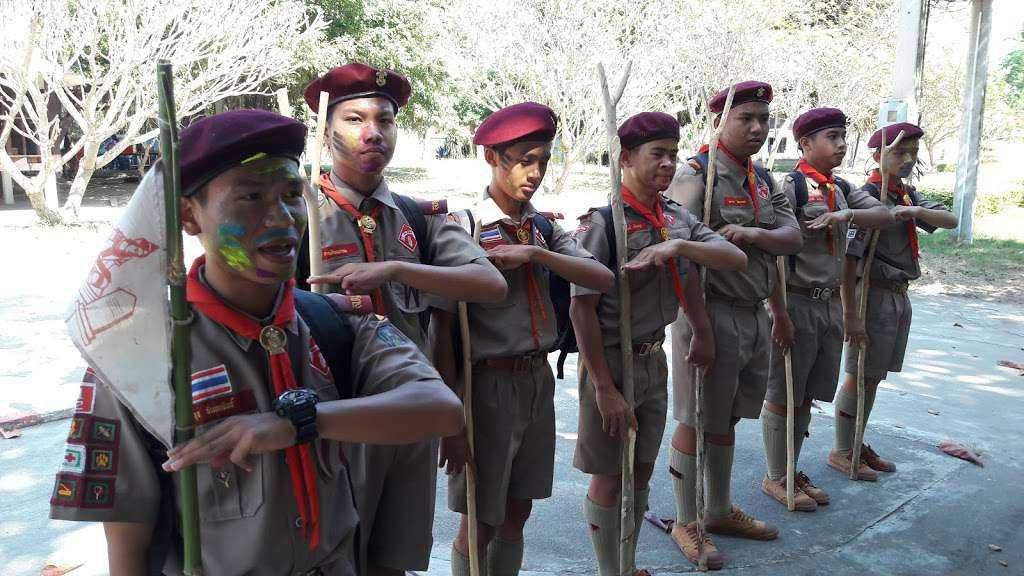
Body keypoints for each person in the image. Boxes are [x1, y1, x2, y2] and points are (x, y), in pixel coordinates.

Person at [49, 109, 464, 576]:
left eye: (291, 195)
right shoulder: (140, 357)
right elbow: (128, 536)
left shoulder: (335, 324)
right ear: (188, 215)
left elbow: (441, 408)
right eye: (251, 196)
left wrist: (299, 424)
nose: (281, 217)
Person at [301, 63, 507, 576]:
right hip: (335, 420)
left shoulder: (420, 216)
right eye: (354, 119)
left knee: (395, 560)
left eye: (385, 120)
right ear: (326, 133)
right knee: (332, 561)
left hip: (409, 418)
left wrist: (396, 269)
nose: (373, 132)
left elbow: (490, 285)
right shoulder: (299, 215)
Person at [434, 102, 615, 576]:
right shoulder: (463, 227)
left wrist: (537, 254)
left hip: (537, 380)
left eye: (544, 160)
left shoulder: (542, 228)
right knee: (480, 517)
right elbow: (442, 327)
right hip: (486, 387)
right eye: (524, 159)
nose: (535, 172)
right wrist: (451, 417)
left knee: (519, 510)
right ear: (493, 157)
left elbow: (601, 277)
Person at [571, 112, 747, 575]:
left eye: (673, 154)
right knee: (611, 476)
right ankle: (612, 571)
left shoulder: (676, 217)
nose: (668, 163)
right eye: (657, 154)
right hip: (611, 361)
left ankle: (628, 564)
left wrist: (679, 248)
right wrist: (604, 388)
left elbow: (734, 257)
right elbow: (581, 309)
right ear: (626, 158)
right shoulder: (604, 223)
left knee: (641, 470)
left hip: (653, 357)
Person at [666, 81, 803, 569]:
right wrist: (699, 329)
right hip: (709, 312)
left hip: (752, 312)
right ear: (718, 121)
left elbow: (793, 238)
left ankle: (719, 510)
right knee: (695, 418)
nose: (758, 128)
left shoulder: (762, 179)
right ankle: (687, 520)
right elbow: (678, 257)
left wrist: (749, 233)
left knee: (726, 418)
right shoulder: (696, 177)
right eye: (746, 117)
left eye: (764, 119)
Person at [758, 108, 891, 511]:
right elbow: (772, 256)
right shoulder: (790, 187)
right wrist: (779, 313)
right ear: (805, 143)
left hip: (828, 304)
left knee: (807, 395)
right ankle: (776, 476)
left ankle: (791, 468)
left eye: (842, 137)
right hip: (796, 301)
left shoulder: (842, 189)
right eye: (831, 137)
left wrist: (847, 213)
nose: (841, 144)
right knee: (784, 392)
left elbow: (883, 215)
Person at [830, 122, 957, 479]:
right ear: (877, 156)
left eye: (913, 153)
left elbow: (950, 219)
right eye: (899, 152)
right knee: (859, 375)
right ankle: (843, 450)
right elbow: (849, 262)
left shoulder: (907, 195)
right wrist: (850, 315)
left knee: (873, 377)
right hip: (872, 294)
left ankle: (856, 441)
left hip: (898, 294)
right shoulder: (867, 199)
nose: (907, 159)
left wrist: (915, 212)